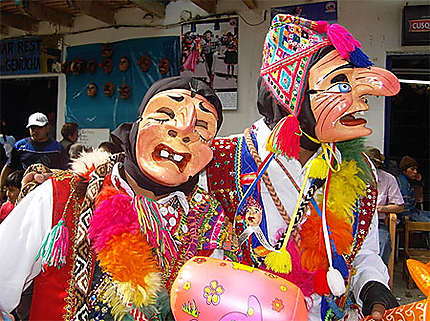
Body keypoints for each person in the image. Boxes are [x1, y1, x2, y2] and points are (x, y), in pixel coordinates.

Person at [204, 14, 400, 321]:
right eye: (339, 86)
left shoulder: (361, 170)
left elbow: (364, 254)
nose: (361, 105)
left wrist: (374, 290)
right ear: (290, 96)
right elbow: (204, 261)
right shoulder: (219, 162)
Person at [0, 76, 235, 321]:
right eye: (165, 113)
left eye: (202, 128)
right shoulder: (62, 197)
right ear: (136, 125)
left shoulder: (213, 225)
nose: (183, 130)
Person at [0, 112, 68, 198]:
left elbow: (65, 172)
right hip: (24, 191)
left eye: (39, 127)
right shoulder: (20, 146)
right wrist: (1, 188)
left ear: (47, 128)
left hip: (48, 192)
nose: (35, 131)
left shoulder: (57, 148)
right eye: (32, 128)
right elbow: (9, 167)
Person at [365, 148, 404, 265]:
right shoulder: (355, 177)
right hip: (355, 223)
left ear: (378, 164)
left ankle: (377, 276)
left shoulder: (388, 179)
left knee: (383, 241)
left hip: (378, 223)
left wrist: (382, 209)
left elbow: (399, 206)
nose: (370, 166)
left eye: (373, 163)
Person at [397, 155, 430, 245]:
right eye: (412, 169)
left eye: (416, 170)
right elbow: (405, 210)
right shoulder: (403, 183)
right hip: (407, 215)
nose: (415, 172)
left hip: (414, 212)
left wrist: (418, 181)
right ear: (404, 170)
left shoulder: (408, 181)